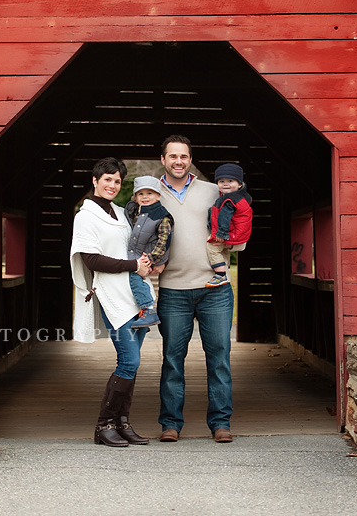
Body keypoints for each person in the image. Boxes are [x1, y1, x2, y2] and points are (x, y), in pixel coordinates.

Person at [155, 135, 235, 443]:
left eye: (184, 156)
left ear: (190, 159)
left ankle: (221, 423)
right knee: (173, 359)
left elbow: (241, 218)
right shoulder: (150, 193)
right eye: (172, 156)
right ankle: (171, 423)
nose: (178, 161)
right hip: (173, 290)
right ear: (163, 159)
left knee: (219, 358)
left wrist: (235, 242)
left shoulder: (214, 191)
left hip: (215, 288)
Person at [70, 157, 152, 447]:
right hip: (110, 293)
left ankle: (122, 423)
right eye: (107, 179)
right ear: (95, 180)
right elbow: (91, 258)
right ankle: (103, 425)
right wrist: (132, 265)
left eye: (117, 181)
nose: (112, 185)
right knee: (129, 360)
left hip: (135, 293)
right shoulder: (85, 216)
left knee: (132, 363)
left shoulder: (120, 212)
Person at [124, 175, 173, 329]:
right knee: (137, 282)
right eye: (141, 194)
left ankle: (148, 310)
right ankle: (142, 310)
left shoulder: (161, 215)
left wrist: (152, 257)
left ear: (158, 195)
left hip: (148, 257)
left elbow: (164, 239)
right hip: (138, 255)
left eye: (149, 193)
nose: (145, 197)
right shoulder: (137, 212)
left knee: (135, 278)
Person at [205, 163, 253, 288]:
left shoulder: (229, 200)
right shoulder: (241, 197)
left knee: (212, 247)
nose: (225, 184)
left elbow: (225, 217)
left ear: (240, 184)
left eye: (230, 181)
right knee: (221, 250)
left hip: (231, 235)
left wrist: (221, 233)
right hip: (238, 234)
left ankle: (220, 274)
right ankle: (223, 269)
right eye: (221, 181)